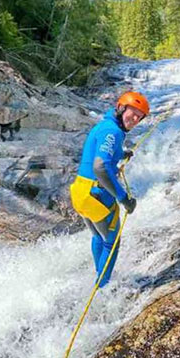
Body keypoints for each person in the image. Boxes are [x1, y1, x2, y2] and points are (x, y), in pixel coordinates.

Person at [69, 91, 149, 288]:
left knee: (98, 236)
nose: (136, 119)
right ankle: (102, 288)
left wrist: (121, 154)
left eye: (140, 116)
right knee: (112, 243)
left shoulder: (105, 126)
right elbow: (100, 166)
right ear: (121, 108)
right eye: (133, 112)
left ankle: (99, 277)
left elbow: (101, 153)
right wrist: (123, 198)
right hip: (97, 194)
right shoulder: (113, 131)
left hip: (80, 191)